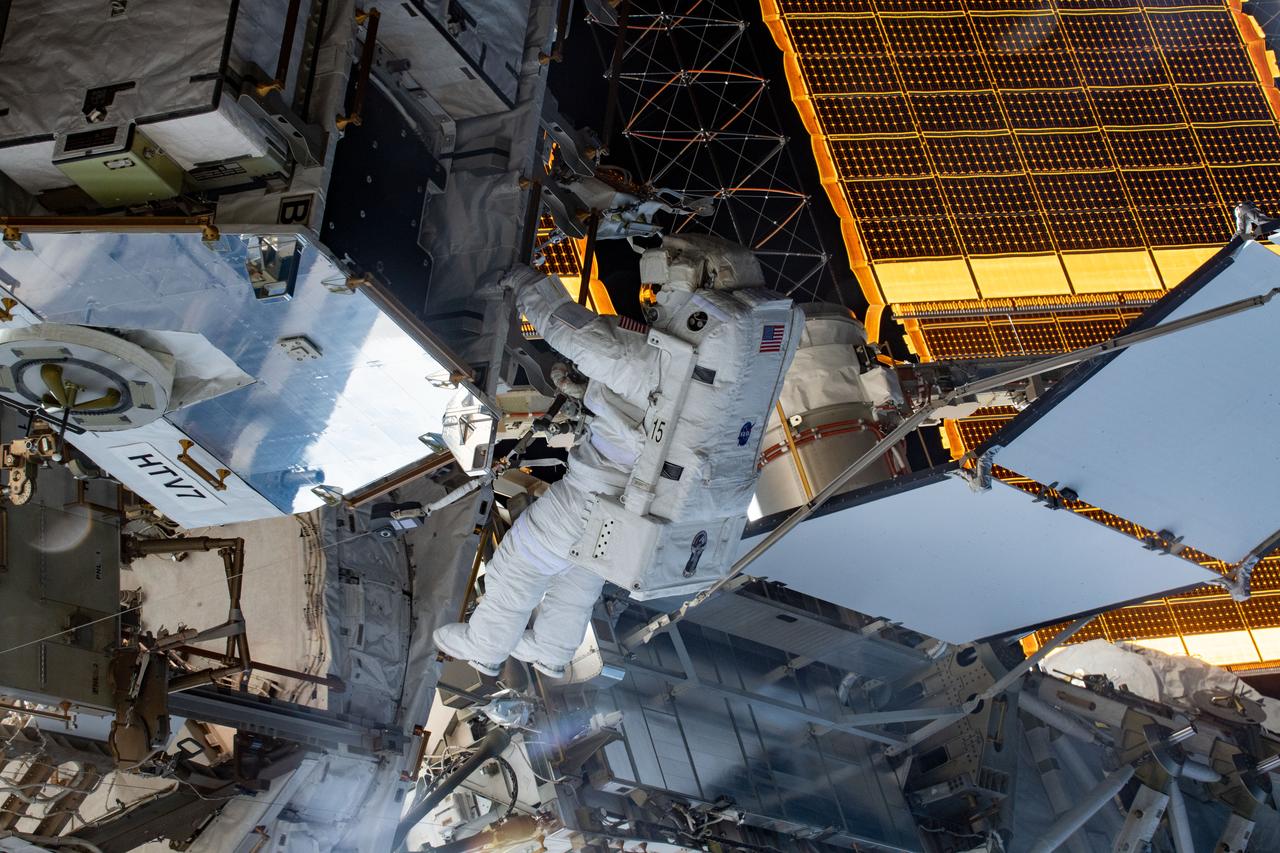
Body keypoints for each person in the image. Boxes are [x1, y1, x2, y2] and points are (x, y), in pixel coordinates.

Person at [432, 264, 660, 678]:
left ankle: (486, 645)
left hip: (598, 493)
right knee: (581, 573)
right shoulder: (731, 389)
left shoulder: (651, 358)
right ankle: (553, 652)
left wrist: (524, 282)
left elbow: (569, 330)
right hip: (643, 508)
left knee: (521, 564)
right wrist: (588, 392)